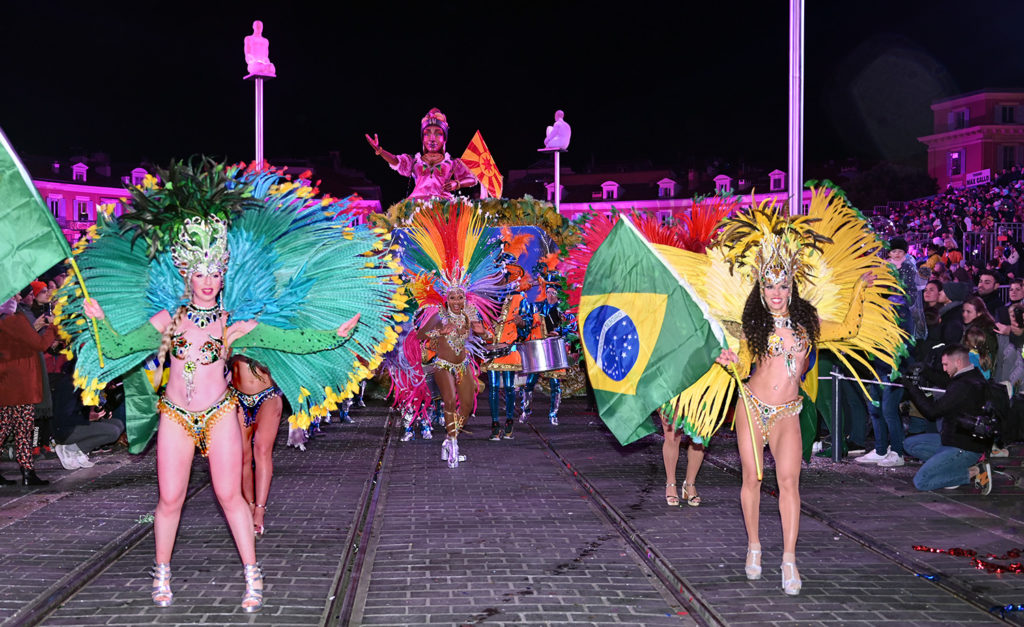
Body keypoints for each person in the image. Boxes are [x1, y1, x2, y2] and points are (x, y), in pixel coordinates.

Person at [59, 160, 402, 612]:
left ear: (223, 275)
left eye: (214, 273)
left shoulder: (233, 327)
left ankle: (252, 574)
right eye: (199, 274)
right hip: (175, 417)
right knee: (169, 499)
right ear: (187, 274)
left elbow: (291, 341)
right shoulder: (169, 320)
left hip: (221, 414)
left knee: (228, 495)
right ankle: (161, 573)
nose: (207, 281)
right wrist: (100, 322)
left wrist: (334, 337)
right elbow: (120, 346)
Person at [902, 344, 992, 494]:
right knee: (910, 444)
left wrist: (912, 389)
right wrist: (926, 370)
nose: (944, 368)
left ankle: (973, 471)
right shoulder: (971, 376)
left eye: (945, 364)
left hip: (963, 448)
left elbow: (932, 412)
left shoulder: (964, 386)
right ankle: (950, 467)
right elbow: (947, 381)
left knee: (921, 481)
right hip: (953, 440)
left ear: (957, 362)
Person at [417, 287, 490, 467]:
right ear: (446, 299)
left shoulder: (469, 314)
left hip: (463, 365)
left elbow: (489, 337)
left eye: (460, 297)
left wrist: (484, 334)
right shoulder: (438, 316)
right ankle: (454, 448)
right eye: (453, 298)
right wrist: (438, 332)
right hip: (443, 365)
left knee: (467, 406)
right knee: (449, 402)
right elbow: (420, 335)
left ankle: (449, 441)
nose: (457, 301)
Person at [0, 296, 55, 486]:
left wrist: (35, 327)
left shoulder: (4, 319)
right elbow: (39, 345)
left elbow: (20, 342)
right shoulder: (14, 318)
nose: (18, 297)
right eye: (14, 294)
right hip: (21, 380)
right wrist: (54, 327)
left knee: (6, 426)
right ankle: (27, 472)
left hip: (8, 379)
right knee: (22, 429)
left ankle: (27, 470)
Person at [366, 108, 477, 201]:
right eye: (427, 134)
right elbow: (396, 160)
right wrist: (380, 151)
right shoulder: (414, 160)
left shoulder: (453, 162)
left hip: (444, 205)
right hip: (417, 205)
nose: (432, 139)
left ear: (445, 139)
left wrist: (457, 183)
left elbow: (472, 179)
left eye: (438, 134)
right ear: (422, 139)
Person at [231, 356, 282, 538]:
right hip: (237, 397)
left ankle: (259, 511)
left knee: (262, 452)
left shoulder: (268, 326)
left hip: (267, 396)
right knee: (243, 456)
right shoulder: (228, 327)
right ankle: (249, 505)